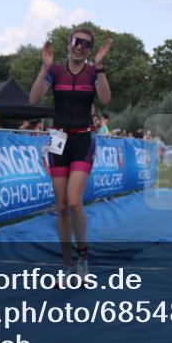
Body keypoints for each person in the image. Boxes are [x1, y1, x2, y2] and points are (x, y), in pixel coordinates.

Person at [29, 27, 113, 279]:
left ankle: (83, 256)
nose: (80, 46)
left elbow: (107, 100)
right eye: (76, 41)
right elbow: (34, 99)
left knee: (75, 201)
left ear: (90, 50)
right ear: (69, 44)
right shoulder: (55, 71)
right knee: (62, 206)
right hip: (58, 139)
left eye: (86, 44)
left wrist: (99, 67)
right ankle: (68, 265)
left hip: (82, 139)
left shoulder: (91, 72)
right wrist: (44, 67)